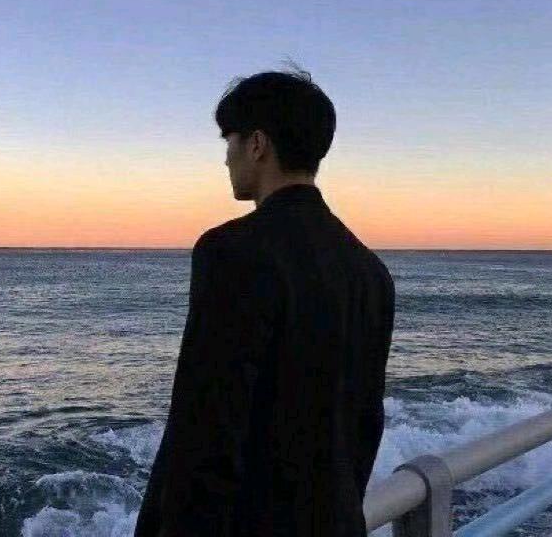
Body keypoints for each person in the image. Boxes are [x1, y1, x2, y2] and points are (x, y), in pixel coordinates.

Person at [133, 66, 395, 537]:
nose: (225, 158)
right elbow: (364, 425)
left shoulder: (233, 251)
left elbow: (208, 428)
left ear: (257, 144)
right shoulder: (369, 270)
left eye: (229, 141)